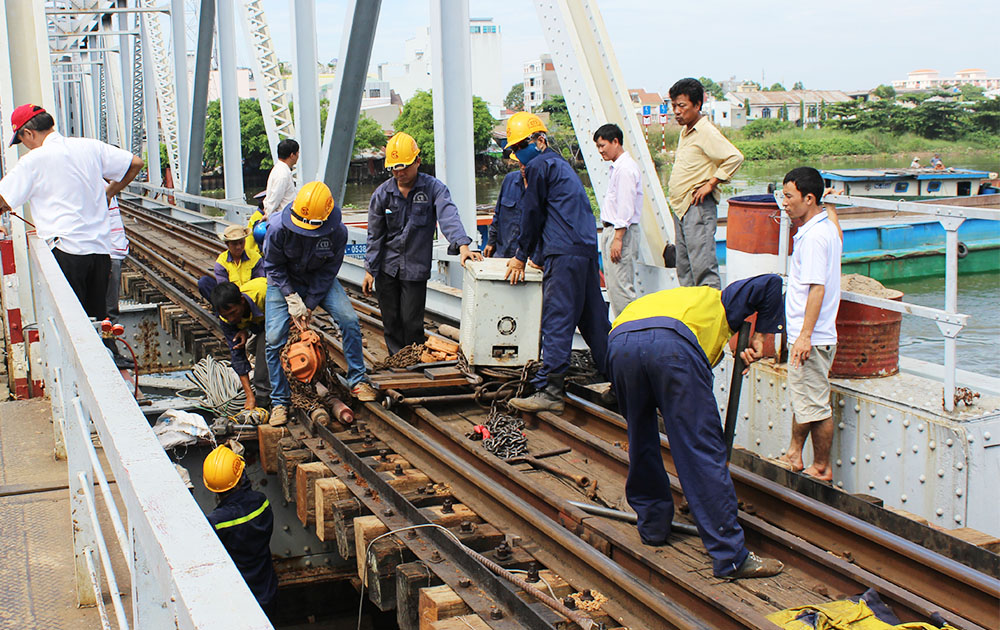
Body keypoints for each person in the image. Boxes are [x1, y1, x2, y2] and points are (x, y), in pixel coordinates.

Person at [607, 274, 785, 579]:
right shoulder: (723, 301)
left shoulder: (675, 301)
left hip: (620, 342)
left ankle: (653, 527)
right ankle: (730, 557)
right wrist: (761, 336)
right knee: (700, 449)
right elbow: (771, 283)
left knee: (641, 438)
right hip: (672, 346)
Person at [503, 112, 612, 413]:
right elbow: (560, 215)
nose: (518, 154)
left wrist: (521, 257)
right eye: (514, 149)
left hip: (564, 255)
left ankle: (550, 390)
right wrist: (540, 256)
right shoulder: (560, 166)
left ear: (540, 141)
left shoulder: (539, 165)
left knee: (557, 318)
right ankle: (618, 379)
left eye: (521, 145)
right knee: (593, 320)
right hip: (583, 251)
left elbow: (533, 214)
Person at [0, 104, 143, 320]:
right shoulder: (89, 146)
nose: (26, 146)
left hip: (66, 251)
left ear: (28, 133)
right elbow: (135, 163)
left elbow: (3, 197)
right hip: (100, 250)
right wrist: (109, 192)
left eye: (23, 140)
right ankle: (106, 352)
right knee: (97, 319)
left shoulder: (33, 161)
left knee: (72, 322)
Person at [264, 181, 376, 427]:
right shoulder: (276, 228)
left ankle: (358, 379)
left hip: (317, 279)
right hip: (283, 281)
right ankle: (280, 401)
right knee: (274, 339)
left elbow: (328, 271)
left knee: (349, 320)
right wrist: (291, 297)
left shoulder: (338, 233)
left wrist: (311, 304)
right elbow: (272, 265)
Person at [363, 132, 482, 355]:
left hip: (415, 267)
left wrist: (463, 245)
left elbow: (448, 216)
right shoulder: (382, 195)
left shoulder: (433, 189)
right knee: (391, 320)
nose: (399, 173)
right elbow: (375, 235)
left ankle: (414, 358)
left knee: (411, 320)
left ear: (417, 161)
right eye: (394, 169)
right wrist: (370, 270)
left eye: (404, 167)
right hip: (387, 267)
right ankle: (398, 361)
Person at [777, 167, 842, 482]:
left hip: (812, 337)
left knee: (815, 403)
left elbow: (817, 288)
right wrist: (830, 205)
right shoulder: (826, 226)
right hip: (815, 334)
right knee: (807, 397)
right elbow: (836, 230)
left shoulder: (815, 237)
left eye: (789, 196)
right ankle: (795, 453)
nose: (785, 203)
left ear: (809, 198)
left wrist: (804, 336)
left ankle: (821, 465)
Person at [667, 79, 744, 289]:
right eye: (674, 106)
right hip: (682, 206)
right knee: (684, 268)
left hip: (697, 207)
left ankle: (710, 318)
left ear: (697, 105)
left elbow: (734, 157)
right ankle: (692, 316)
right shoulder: (686, 132)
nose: (676, 111)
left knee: (703, 268)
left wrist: (711, 183)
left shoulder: (705, 131)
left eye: (682, 106)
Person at [203, 445, 278, 610]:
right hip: (266, 591)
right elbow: (245, 495)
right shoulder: (261, 503)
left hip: (239, 602)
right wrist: (239, 464)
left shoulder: (216, 523)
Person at [593, 123, 643, 317]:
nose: (600, 151)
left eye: (602, 145)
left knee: (622, 289)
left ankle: (632, 332)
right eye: (598, 147)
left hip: (620, 232)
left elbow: (626, 206)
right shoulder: (618, 168)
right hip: (612, 230)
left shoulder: (625, 169)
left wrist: (618, 238)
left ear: (615, 142)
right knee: (614, 287)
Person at [212, 278, 271, 410]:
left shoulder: (263, 293)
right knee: (252, 348)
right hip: (260, 324)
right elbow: (237, 354)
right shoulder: (226, 320)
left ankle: (265, 398)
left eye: (233, 313)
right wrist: (249, 395)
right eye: (227, 316)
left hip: (278, 315)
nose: (231, 319)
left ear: (242, 301)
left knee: (264, 356)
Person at [198, 224, 264, 303]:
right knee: (204, 282)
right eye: (234, 244)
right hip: (229, 298)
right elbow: (224, 288)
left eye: (241, 242)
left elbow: (259, 282)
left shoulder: (255, 257)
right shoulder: (222, 261)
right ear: (227, 244)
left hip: (251, 298)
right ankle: (222, 310)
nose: (239, 247)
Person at [483, 156, 526, 259]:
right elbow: (498, 215)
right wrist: (491, 242)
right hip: (502, 253)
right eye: (521, 162)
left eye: (527, 163)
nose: (523, 167)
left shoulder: (544, 185)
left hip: (527, 258)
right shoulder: (509, 180)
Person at [262, 139, 299, 218]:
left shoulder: (278, 169)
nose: (298, 156)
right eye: (297, 153)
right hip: (282, 216)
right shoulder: (283, 174)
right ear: (292, 155)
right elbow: (275, 196)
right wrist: (268, 214)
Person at [106, 195, 129, 319]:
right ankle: (106, 337)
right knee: (108, 310)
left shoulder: (109, 189)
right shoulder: (100, 186)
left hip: (113, 252)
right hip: (108, 253)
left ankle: (108, 336)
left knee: (109, 309)